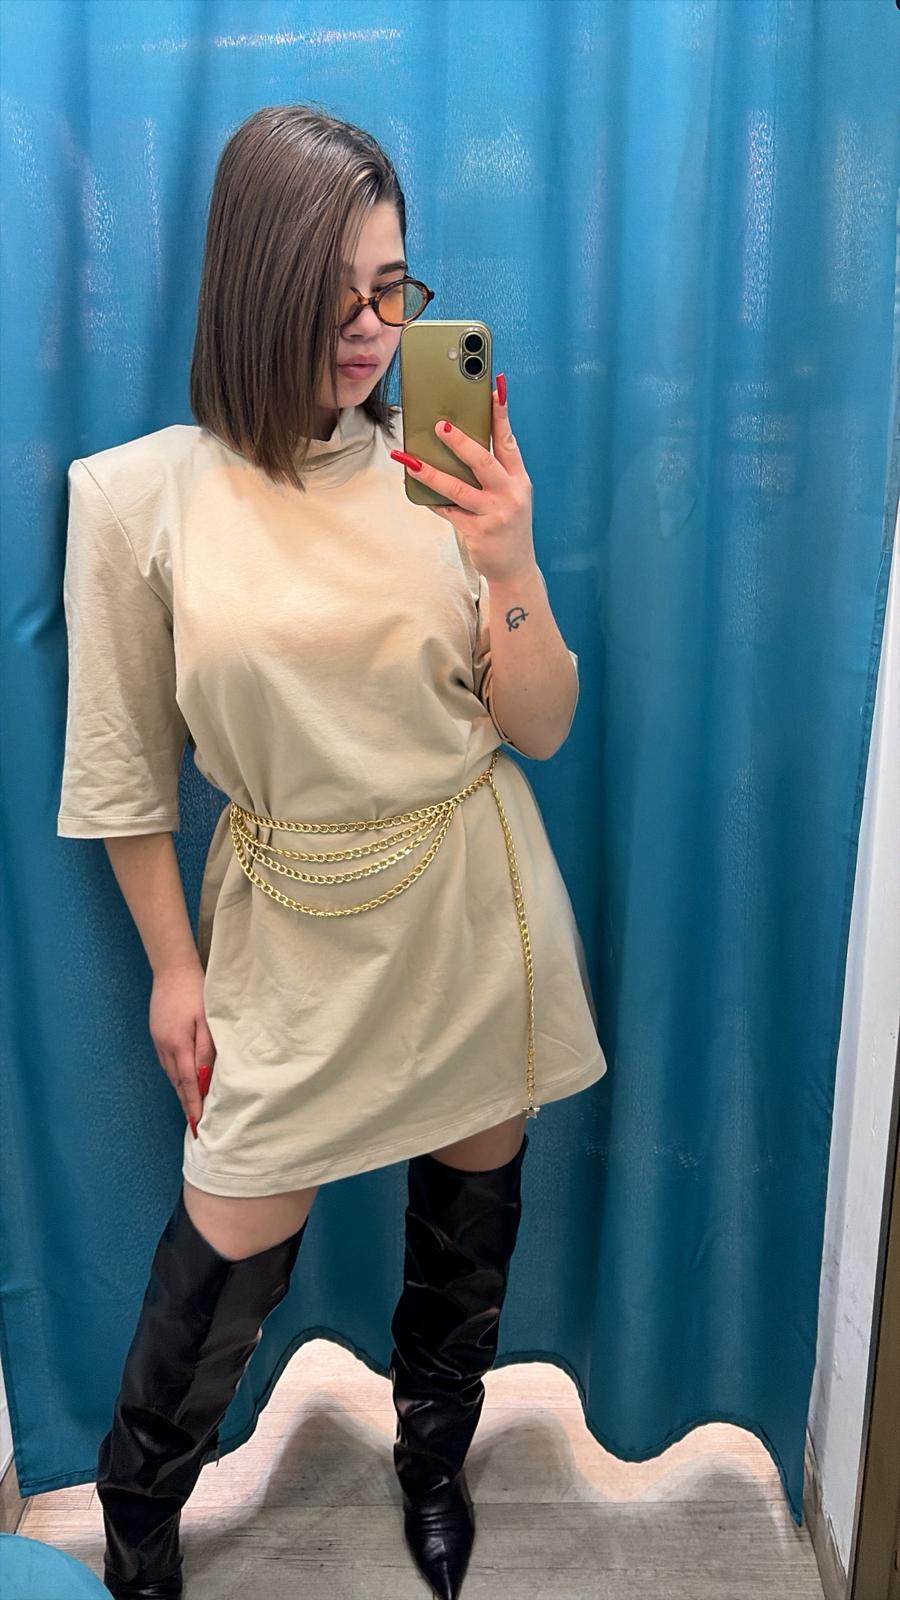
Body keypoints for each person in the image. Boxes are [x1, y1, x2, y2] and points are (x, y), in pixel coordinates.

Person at [56, 103, 607, 1600]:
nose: (373, 329)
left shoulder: (445, 467)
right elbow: (121, 773)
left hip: (472, 906)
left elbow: (540, 725)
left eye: (394, 287)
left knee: (466, 1236)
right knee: (227, 1246)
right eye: (337, 289)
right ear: (256, 280)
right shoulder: (137, 497)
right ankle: (139, 1520)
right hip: (285, 926)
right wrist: (175, 970)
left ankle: (434, 1460)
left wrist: (510, 559)